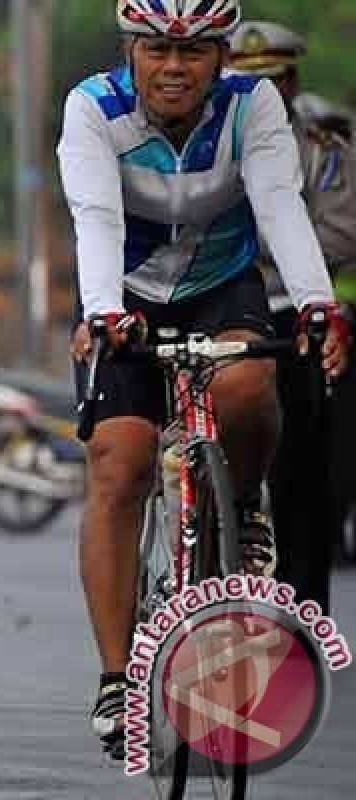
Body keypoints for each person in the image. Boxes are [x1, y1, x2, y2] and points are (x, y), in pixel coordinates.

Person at [58, 0, 350, 760]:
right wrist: (102, 310)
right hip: (121, 286)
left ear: (222, 56)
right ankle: (118, 677)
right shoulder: (93, 107)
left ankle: (244, 500)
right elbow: (95, 215)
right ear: (131, 49)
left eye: (194, 52)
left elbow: (282, 207)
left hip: (221, 284)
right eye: (157, 50)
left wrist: (319, 305)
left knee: (251, 385)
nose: (175, 68)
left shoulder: (252, 106)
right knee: (119, 462)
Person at [229, 20, 356, 613]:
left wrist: (265, 249)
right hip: (216, 305)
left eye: (271, 82)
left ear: (291, 81)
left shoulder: (321, 149)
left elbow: (339, 231)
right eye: (245, 83)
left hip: (287, 309)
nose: (261, 96)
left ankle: (304, 607)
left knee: (302, 458)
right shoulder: (203, 141)